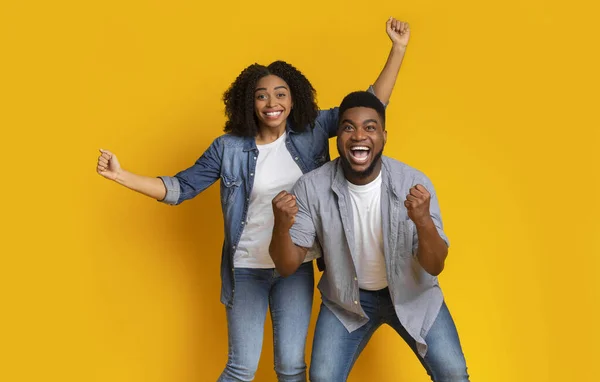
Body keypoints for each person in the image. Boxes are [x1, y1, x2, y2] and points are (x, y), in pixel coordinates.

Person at [96, 18, 410, 382]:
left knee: (292, 368)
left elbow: (370, 105)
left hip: (295, 267)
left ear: (294, 99)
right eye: (262, 95)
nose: (272, 102)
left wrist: (397, 49)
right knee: (241, 368)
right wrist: (122, 176)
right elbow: (179, 188)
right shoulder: (227, 148)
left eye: (280, 94)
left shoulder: (310, 134)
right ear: (249, 102)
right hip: (246, 270)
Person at [269, 90, 469, 381]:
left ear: (384, 136)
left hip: (413, 295)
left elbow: (435, 265)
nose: (359, 135)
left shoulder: (412, 182)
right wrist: (280, 226)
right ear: (337, 137)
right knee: (323, 378)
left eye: (370, 127)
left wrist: (423, 220)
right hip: (347, 301)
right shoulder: (311, 187)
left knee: (454, 373)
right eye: (348, 127)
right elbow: (286, 266)